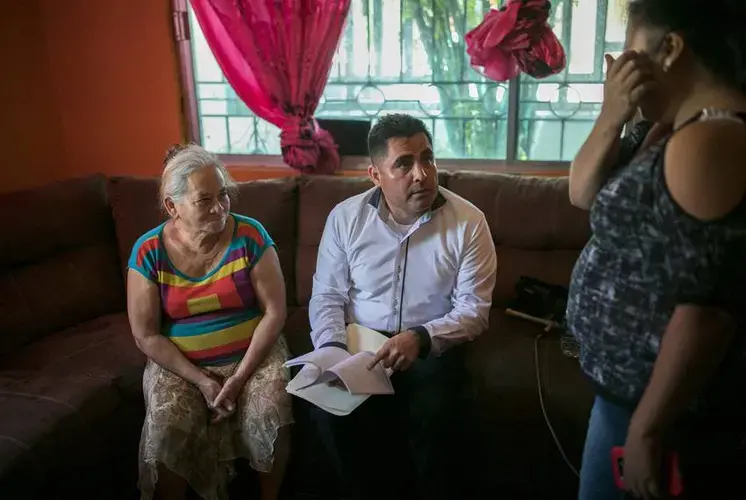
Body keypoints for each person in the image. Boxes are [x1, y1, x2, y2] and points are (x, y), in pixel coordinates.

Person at [567, 1, 746, 499]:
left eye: (630, 50)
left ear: (669, 49)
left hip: (661, 412)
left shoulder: (712, 141)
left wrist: (647, 429)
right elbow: (582, 193)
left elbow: (709, 309)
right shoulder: (666, 129)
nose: (619, 67)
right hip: (627, 398)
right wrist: (613, 114)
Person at [308, 113, 497, 500]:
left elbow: (474, 309)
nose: (422, 174)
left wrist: (422, 338)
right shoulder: (345, 220)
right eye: (404, 164)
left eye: (427, 159)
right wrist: (331, 349)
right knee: (330, 415)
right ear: (375, 174)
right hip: (361, 347)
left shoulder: (469, 222)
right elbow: (328, 296)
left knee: (438, 420)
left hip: (430, 346)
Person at [126, 144, 293, 500]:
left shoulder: (250, 236)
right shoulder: (148, 251)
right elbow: (146, 335)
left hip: (252, 354)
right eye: (205, 200)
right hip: (181, 364)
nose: (220, 208)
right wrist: (202, 380)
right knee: (169, 427)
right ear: (173, 207)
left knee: (272, 410)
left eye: (223, 196)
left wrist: (237, 379)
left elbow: (275, 311)